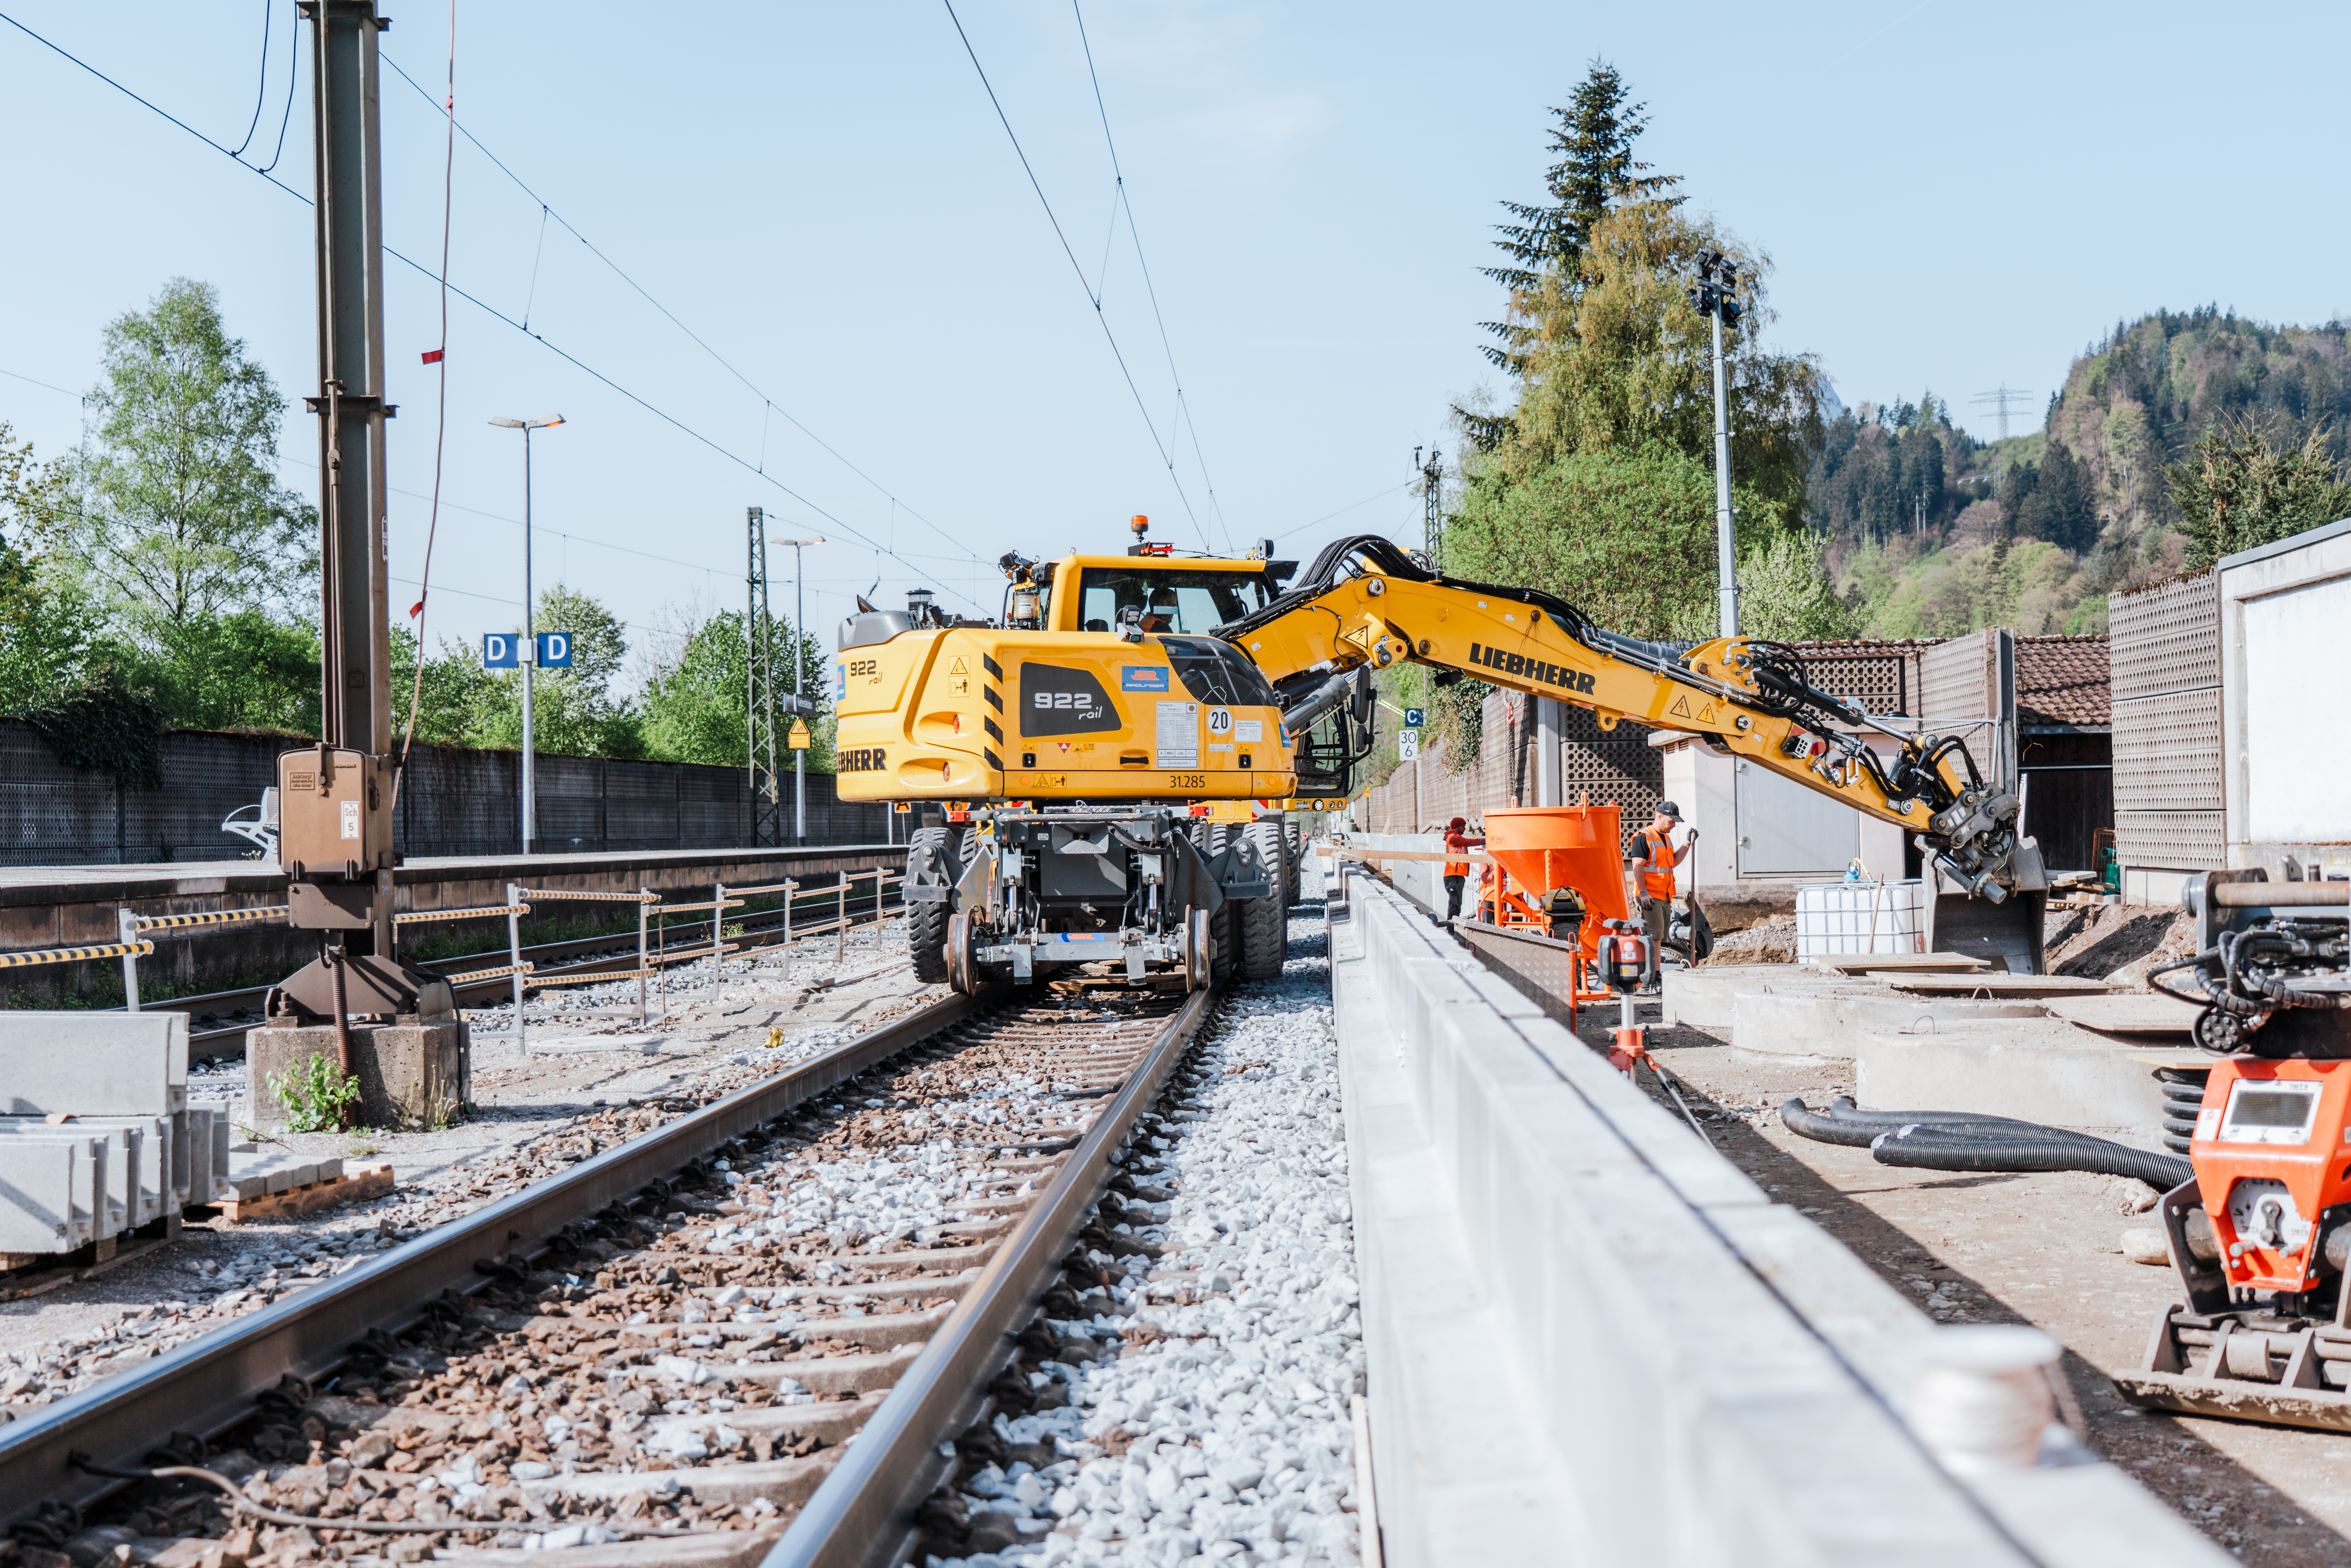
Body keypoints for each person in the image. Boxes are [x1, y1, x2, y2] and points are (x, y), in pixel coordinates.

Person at [1628, 802, 1696, 992]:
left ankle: (1652, 977)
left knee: (1659, 937)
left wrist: (1687, 843)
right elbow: (1637, 867)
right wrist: (1643, 895)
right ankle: (1651, 980)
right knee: (1654, 937)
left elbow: (1673, 862)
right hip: (1650, 897)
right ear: (1660, 817)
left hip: (1664, 896)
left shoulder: (1665, 839)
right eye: (1671, 821)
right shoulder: (1644, 838)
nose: (1674, 825)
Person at [1442, 816, 1482, 921]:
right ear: (1458, 827)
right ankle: (1451, 928)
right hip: (1453, 876)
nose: (1465, 829)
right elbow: (1470, 842)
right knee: (1455, 903)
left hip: (1456, 876)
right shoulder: (1454, 838)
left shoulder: (1454, 837)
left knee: (1457, 903)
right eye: (1463, 826)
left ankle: (1453, 927)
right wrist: (1487, 841)